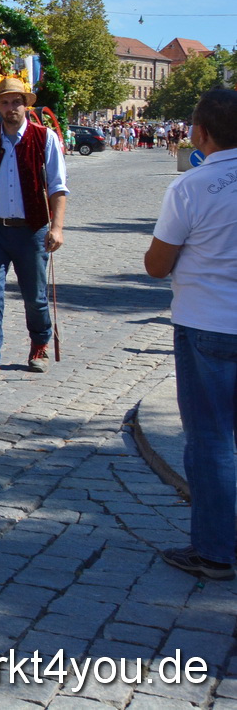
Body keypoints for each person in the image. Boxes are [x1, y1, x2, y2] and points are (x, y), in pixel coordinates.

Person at [144, 89, 237, 579]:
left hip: (209, 324)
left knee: (212, 441)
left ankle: (217, 551)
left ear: (200, 134)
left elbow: (157, 265)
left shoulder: (193, 186)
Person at [0, 77, 70, 388]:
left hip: (32, 231)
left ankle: (40, 345)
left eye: (16, 102)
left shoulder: (44, 138)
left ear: (26, 105)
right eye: (5, 102)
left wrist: (58, 227)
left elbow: (58, 187)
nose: (11, 108)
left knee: (35, 298)